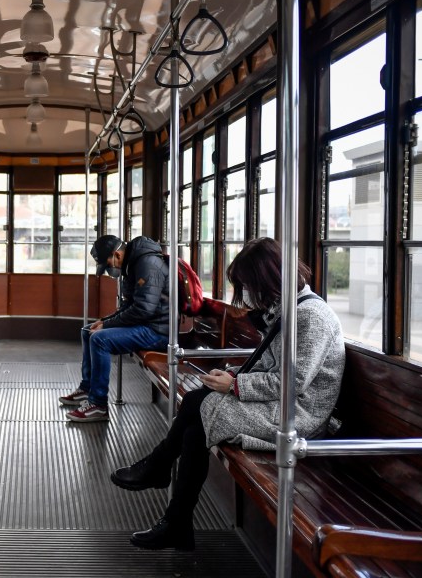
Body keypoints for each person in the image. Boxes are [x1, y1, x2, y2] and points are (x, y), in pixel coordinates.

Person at [109, 237, 345, 550]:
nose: (245, 293)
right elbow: (270, 366)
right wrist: (233, 375)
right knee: (196, 424)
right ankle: (173, 514)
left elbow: (294, 382)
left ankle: (161, 474)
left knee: (197, 405)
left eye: (248, 284)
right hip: (280, 403)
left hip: (299, 415)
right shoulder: (289, 309)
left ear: (267, 278)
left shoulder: (311, 317)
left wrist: (235, 385)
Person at [59, 234, 170, 423]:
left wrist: (107, 325)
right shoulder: (133, 263)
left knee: (99, 339)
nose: (111, 270)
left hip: (158, 330)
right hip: (146, 323)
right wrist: (104, 320)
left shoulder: (147, 264)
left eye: (108, 264)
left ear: (116, 254)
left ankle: (98, 405)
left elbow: (143, 309)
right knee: (89, 331)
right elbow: (130, 305)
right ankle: (88, 388)